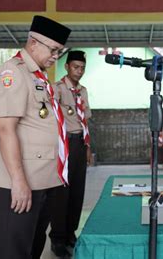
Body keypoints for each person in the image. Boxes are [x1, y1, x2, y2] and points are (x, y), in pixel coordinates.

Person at [0, 15, 71, 259]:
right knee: (15, 251)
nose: (56, 56)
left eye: (59, 51)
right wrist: (18, 182)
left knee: (33, 247)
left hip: (43, 179)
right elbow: (5, 129)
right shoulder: (12, 73)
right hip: (21, 181)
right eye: (53, 50)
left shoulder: (39, 76)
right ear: (34, 43)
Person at [49, 50, 92, 258]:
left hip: (79, 145)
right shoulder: (57, 89)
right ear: (66, 67)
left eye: (82, 67)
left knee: (77, 191)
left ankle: (70, 233)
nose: (79, 71)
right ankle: (57, 239)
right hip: (63, 145)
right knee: (61, 193)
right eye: (76, 67)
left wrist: (88, 148)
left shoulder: (83, 91)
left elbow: (85, 121)